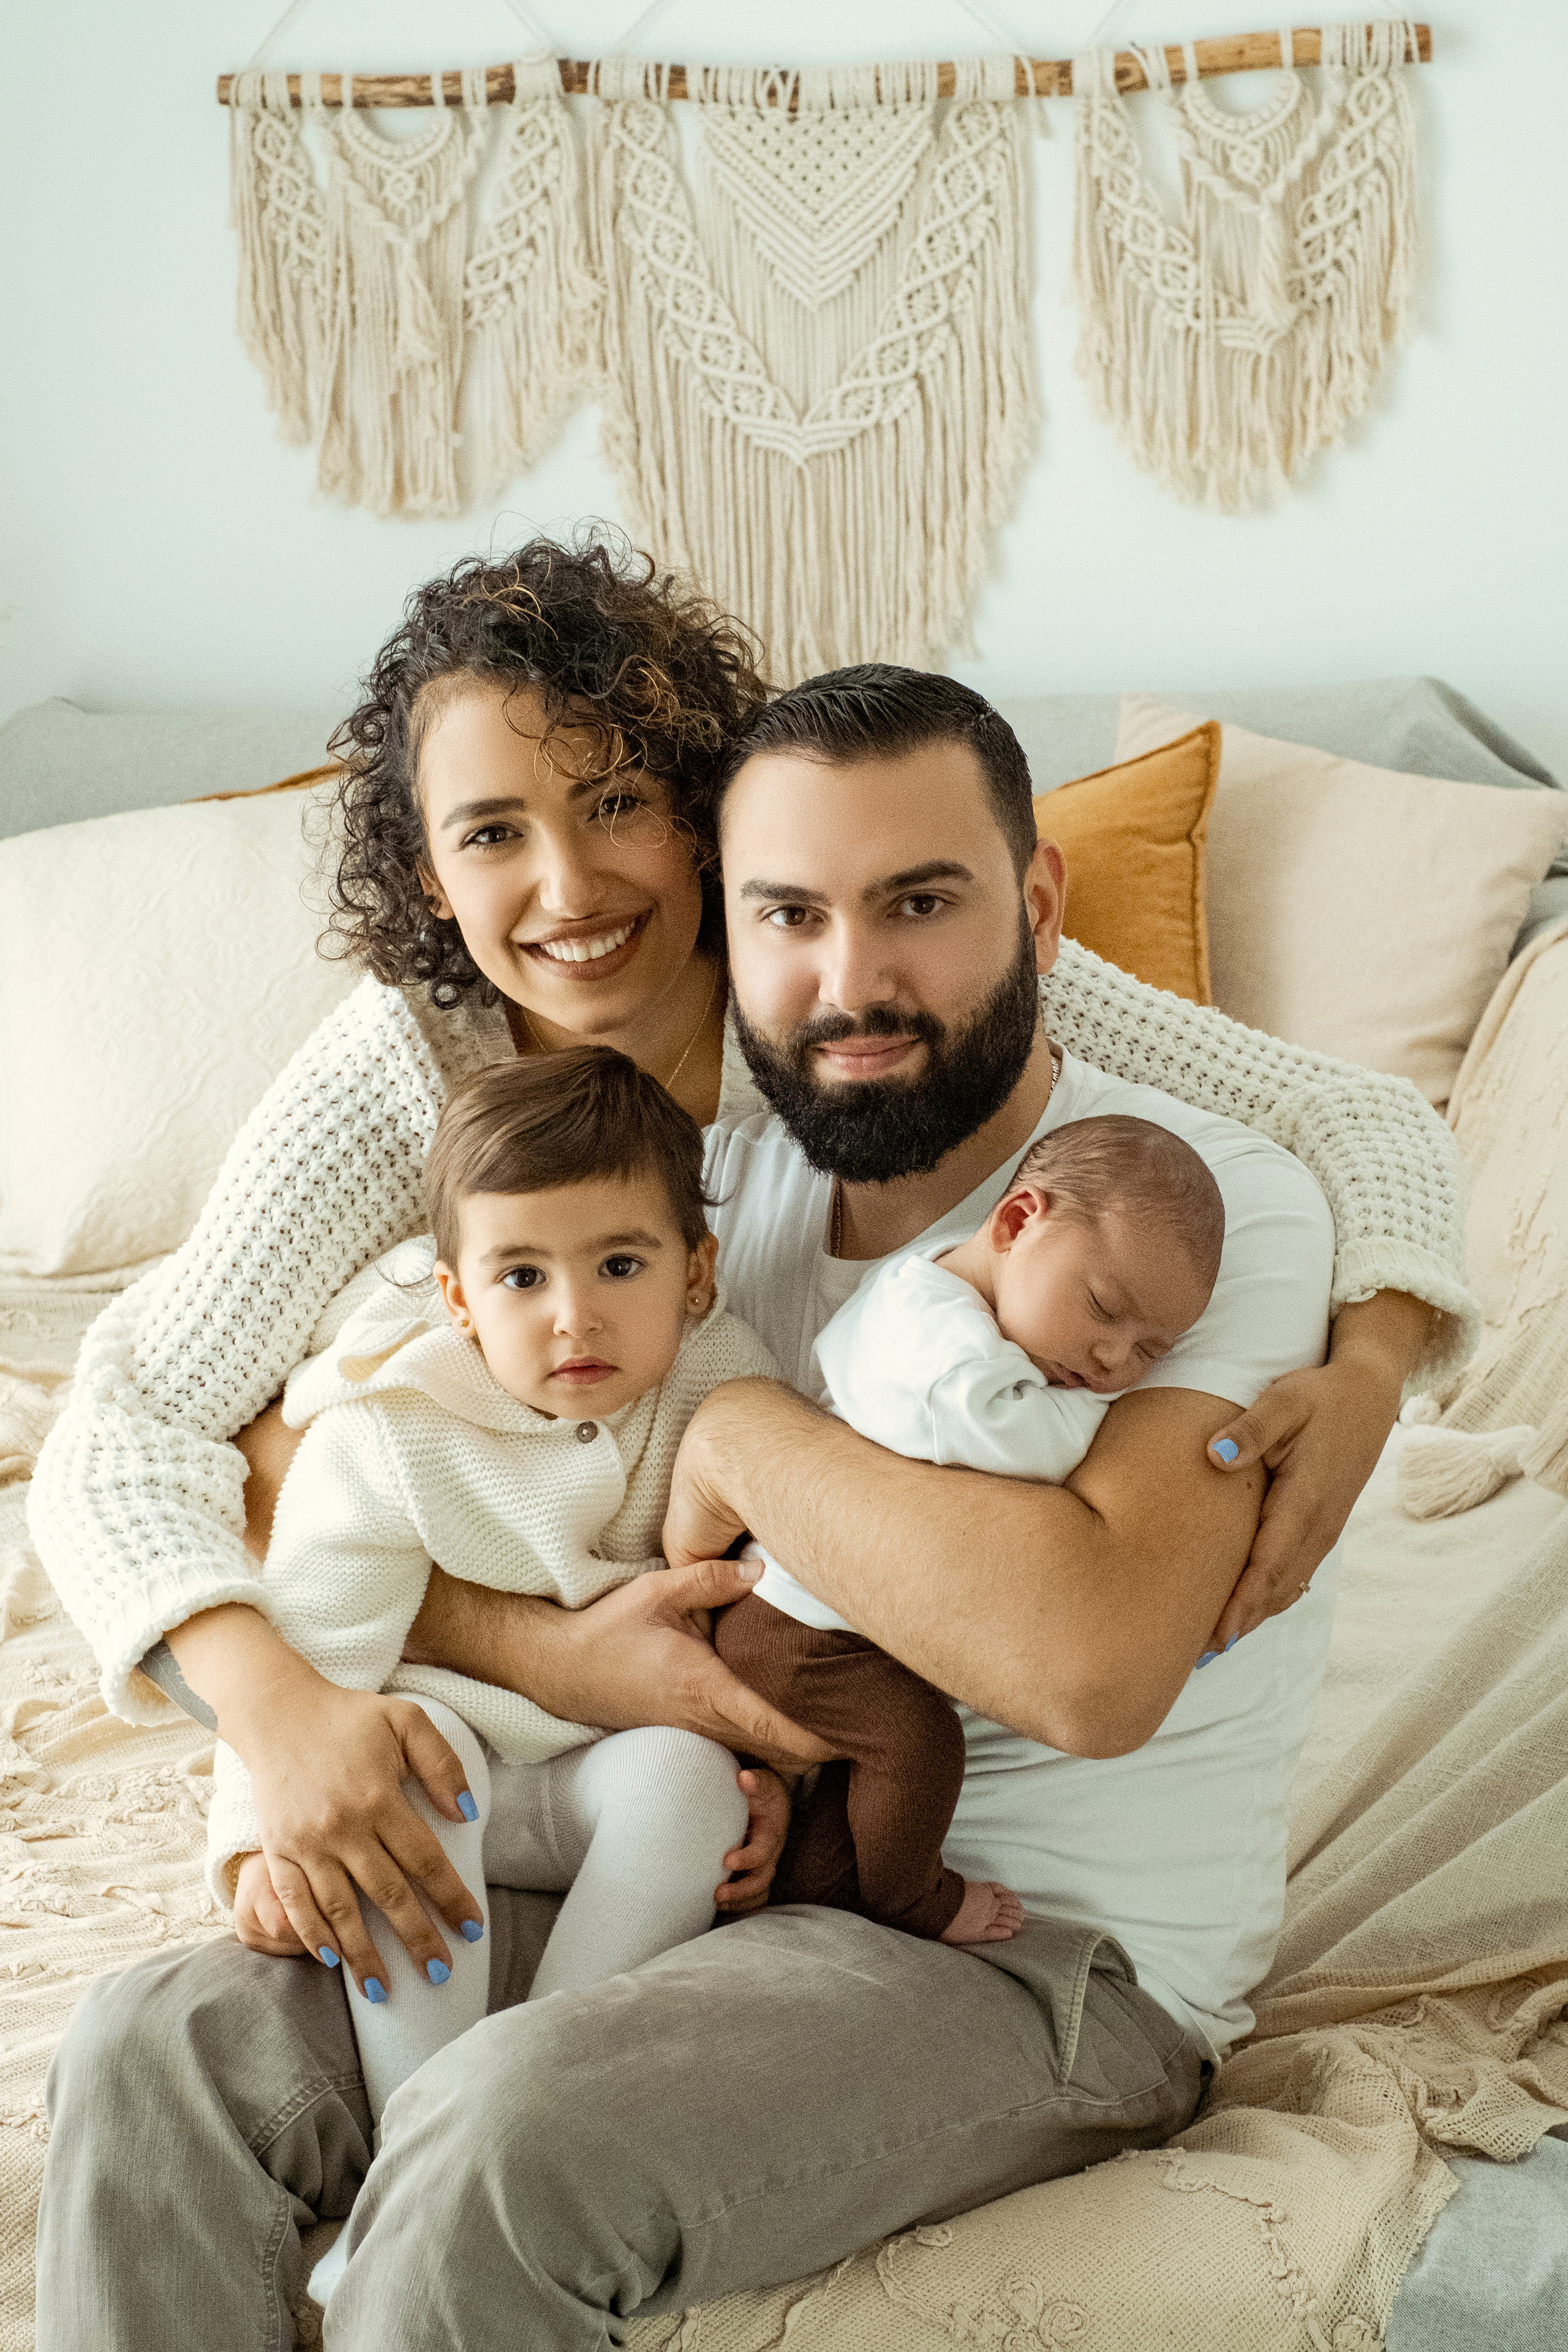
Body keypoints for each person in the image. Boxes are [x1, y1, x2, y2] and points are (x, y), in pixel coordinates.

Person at [32, 594, 1471, 2349]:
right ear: (736, 919)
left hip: (1028, 1953)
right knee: (155, 2055)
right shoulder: (728, 1176)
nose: (852, 981)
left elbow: (1087, 1668)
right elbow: (311, 1442)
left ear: (1036, 906)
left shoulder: (1192, 1212)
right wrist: (482, 1656)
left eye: (920, 903)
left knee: (506, 2136)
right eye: (793, 913)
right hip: (727, 1857)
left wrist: (742, 1436)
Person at [209, 1048, 782, 2132]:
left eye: (621, 1266)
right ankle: (419, 2123)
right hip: (450, 1771)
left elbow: (783, 1609)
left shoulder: (731, 1388)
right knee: (408, 1745)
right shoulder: (391, 1430)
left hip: (595, 1788)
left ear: (696, 1275)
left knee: (686, 1778)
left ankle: (527, 2100)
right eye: (523, 1277)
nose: (576, 1317)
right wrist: (253, 1841)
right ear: (460, 1300)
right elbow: (312, 1649)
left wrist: (772, 1779)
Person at [717, 1114, 1224, 1948]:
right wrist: (1129, 1426)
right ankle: (914, 1897)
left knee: (863, 1781)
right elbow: (1009, 1435)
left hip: (824, 1620)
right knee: (919, 1745)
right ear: (1020, 1221)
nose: (1111, 1362)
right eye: (1104, 1308)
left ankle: (824, 1888)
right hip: (797, 1624)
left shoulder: (963, 1314)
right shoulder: (939, 1331)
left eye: (1150, 1351)